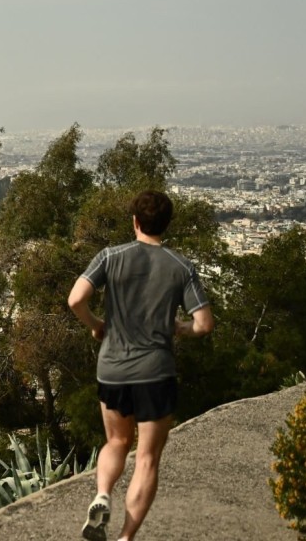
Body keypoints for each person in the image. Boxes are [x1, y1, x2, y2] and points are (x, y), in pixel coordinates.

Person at [67, 190, 214, 541]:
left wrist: (94, 324)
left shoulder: (110, 256)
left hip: (113, 368)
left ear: (135, 221)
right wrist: (179, 327)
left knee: (117, 441)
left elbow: (75, 299)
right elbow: (204, 324)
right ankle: (125, 537)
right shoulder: (180, 267)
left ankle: (102, 494)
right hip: (156, 372)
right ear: (166, 224)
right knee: (146, 458)